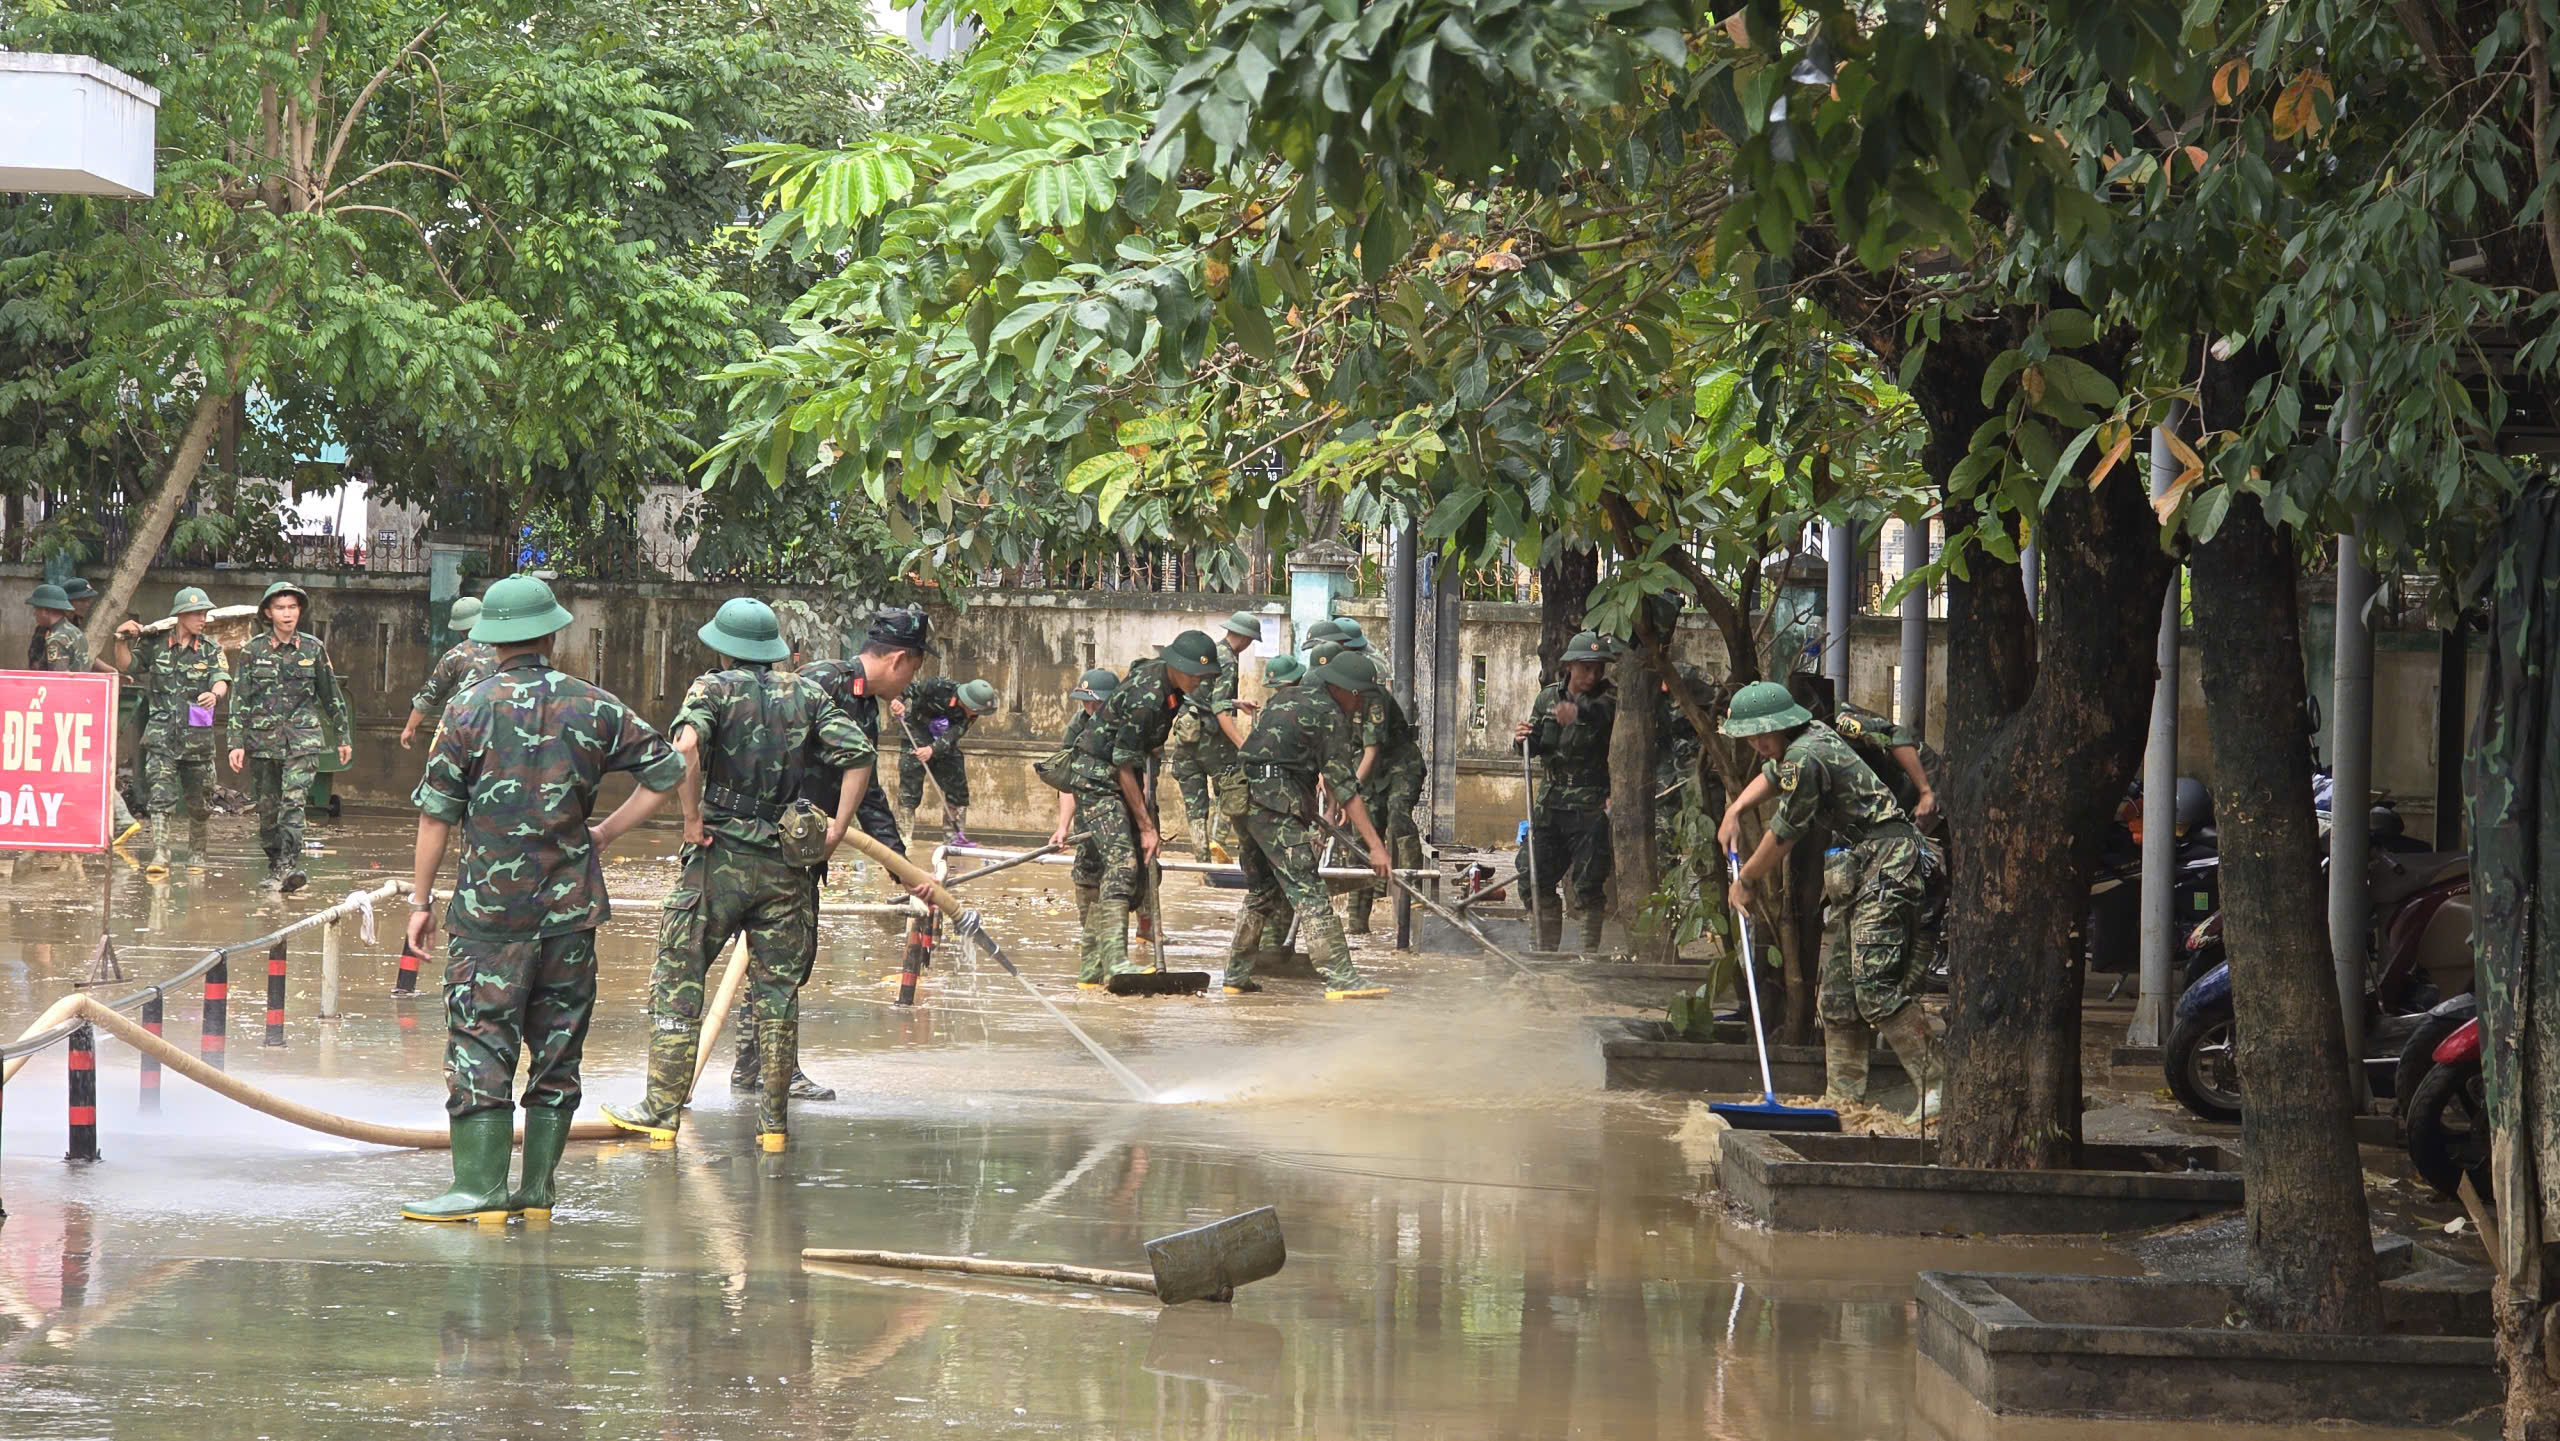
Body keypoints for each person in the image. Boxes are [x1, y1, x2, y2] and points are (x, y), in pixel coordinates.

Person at [401, 574, 687, 1222]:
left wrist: (420, 902)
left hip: (490, 916)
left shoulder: (467, 708)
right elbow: (669, 770)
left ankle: (480, 1188)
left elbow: (435, 814)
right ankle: (536, 1191)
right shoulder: (594, 704)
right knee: (558, 1045)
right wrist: (605, 832)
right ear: (552, 636)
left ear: (491, 641)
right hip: (570, 911)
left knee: (480, 1039)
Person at [604, 597, 874, 1151]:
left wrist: (691, 818)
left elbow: (685, 747)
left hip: (718, 859)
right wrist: (837, 829)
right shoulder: (806, 693)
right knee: (777, 995)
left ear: (724, 649)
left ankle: (661, 1111)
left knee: (679, 979)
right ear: (771, 649)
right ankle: (773, 1126)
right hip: (785, 867)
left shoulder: (712, 689)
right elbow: (860, 755)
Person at [1718, 679, 1942, 1123]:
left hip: (1890, 861)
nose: (1758, 744)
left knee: (1876, 989)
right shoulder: (1804, 742)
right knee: (1838, 996)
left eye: (1763, 734)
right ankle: (1844, 1101)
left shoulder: (1807, 754)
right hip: (1862, 865)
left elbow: (1785, 833)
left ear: (1783, 724)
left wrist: (1745, 880)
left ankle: (1939, 1086)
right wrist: (1735, 810)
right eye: (1751, 736)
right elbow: (1772, 776)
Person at [744, 611, 929, 1100]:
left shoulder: (863, 704)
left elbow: (866, 792)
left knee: (782, 959)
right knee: (783, 960)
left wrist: (900, 865)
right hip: (777, 843)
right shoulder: (822, 683)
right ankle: (773, 1071)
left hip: (804, 848)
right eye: (913, 671)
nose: (910, 684)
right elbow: (770, 754)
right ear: (898, 659)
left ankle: (752, 1067)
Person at [1047, 631, 1220, 988]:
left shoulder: (1170, 687)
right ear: (1176, 666)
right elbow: (1122, 763)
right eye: (1195, 674)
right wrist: (1146, 826)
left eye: (1204, 675)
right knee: (1123, 864)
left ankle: (1092, 969)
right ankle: (1115, 964)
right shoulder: (1147, 698)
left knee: (1139, 872)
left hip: (1122, 773)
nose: (1200, 681)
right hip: (1098, 778)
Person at [1223, 650, 1394, 999]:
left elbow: (1298, 761)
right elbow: (1345, 785)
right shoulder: (1329, 715)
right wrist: (1376, 847)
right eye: (1361, 696)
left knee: (1263, 891)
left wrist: (1325, 807)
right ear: (1345, 690)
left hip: (1242, 797)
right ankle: (1341, 977)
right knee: (1310, 890)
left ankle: (1236, 975)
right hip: (1273, 802)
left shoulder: (1287, 697)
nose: (1361, 705)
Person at [226, 582, 351, 892]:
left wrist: (343, 736)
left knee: (293, 805)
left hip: (302, 740)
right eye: (280, 608)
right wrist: (235, 742)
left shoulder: (312, 648)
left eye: (292, 607)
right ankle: (276, 864)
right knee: (268, 812)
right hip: (263, 742)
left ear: (300, 611)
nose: (287, 614)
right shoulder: (252, 651)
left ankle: (288, 866)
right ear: (268, 613)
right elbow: (239, 699)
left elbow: (331, 695)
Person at [110, 588, 230, 874]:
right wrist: (120, 640)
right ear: (180, 615)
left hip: (197, 737)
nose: (202, 619)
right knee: (160, 797)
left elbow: (221, 678)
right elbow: (128, 665)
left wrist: (215, 694)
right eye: (196, 614)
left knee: (199, 801)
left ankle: (197, 852)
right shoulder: (156, 644)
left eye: (204, 613)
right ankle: (160, 853)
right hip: (162, 735)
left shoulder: (210, 648)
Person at [1513, 630, 1618, 952]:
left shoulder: (1610, 698)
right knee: (1532, 873)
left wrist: (1578, 713)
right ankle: (1543, 952)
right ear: (1569, 666)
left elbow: (1603, 715)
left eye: (1599, 667)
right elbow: (1535, 744)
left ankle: (1588, 957)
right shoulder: (1547, 698)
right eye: (1586, 667)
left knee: (1588, 883)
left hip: (1591, 805)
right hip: (1551, 803)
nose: (1593, 674)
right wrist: (1522, 739)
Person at [1167, 611, 1261, 861]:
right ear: (1245, 638)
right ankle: (1216, 842)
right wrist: (1243, 746)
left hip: (1186, 734)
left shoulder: (1209, 652)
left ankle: (1202, 860)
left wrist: (1236, 702)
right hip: (1211, 739)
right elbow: (1219, 710)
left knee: (1194, 803)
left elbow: (1203, 695)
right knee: (1234, 786)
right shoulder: (1228, 660)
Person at [1041, 668, 1122, 946]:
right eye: (1085, 702)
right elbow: (1070, 780)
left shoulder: (1129, 724)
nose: (1090, 709)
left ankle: (1140, 934)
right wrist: (1062, 828)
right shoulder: (1079, 724)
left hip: (1122, 809)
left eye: (1096, 703)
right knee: (1087, 871)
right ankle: (1091, 940)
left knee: (1132, 872)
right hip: (1089, 810)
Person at [1343, 662, 1425, 937]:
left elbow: (1372, 750)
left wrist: (1348, 791)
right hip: (1368, 770)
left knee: (1398, 814)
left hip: (1400, 765)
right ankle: (1356, 923)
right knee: (1362, 836)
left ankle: (1413, 891)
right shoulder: (1334, 700)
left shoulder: (1373, 698)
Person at [896, 675, 998, 845]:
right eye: (976, 710)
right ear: (967, 702)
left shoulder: (972, 714)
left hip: (943, 740)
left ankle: (954, 839)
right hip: (916, 732)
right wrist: (898, 700)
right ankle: (902, 839)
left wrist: (932, 749)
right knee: (910, 788)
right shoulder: (938, 686)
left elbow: (954, 734)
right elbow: (909, 688)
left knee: (958, 786)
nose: (977, 714)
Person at [401, 597, 495, 750]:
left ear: (461, 629)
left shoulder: (455, 655)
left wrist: (409, 728)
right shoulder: (508, 647)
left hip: (470, 731)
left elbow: (428, 697)